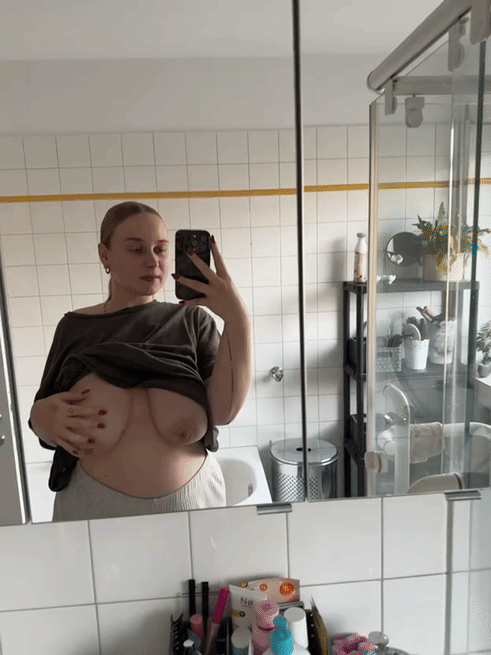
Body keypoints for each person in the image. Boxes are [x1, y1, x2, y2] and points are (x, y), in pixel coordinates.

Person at [28, 201, 251, 521]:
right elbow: (44, 418)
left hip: (193, 506)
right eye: (136, 249)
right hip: (92, 510)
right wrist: (43, 418)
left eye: (161, 249)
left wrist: (237, 319)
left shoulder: (192, 321)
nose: (153, 261)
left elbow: (224, 412)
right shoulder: (74, 326)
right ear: (104, 255)